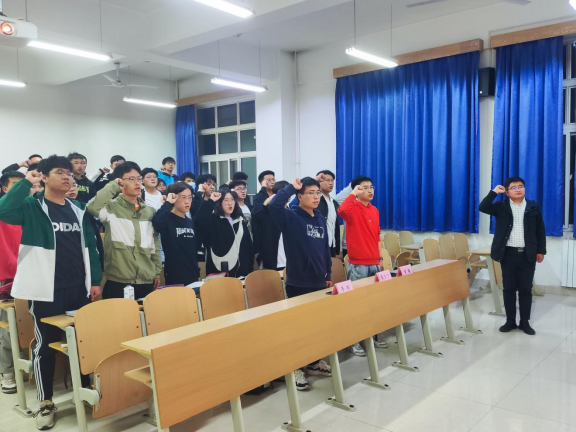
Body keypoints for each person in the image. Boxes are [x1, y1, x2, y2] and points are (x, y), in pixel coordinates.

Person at [0, 155, 102, 430]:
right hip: (46, 289)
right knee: (45, 346)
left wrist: (94, 280)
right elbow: (4, 211)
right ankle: (45, 403)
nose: (68, 176)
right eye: (60, 172)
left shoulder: (78, 208)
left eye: (69, 173)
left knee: (81, 342)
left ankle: (85, 390)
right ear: (44, 177)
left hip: (79, 288)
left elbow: (91, 247)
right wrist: (26, 182)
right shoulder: (32, 206)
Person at [269, 177, 332, 390]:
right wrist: (290, 188)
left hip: (318, 280)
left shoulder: (319, 218)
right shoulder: (291, 217)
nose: (316, 197)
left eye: (317, 193)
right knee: (298, 327)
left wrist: (328, 273)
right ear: (299, 196)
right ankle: (295, 367)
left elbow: (325, 248)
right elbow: (274, 206)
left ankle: (312, 361)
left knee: (315, 326)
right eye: (310, 193)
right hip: (299, 282)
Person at [479, 177, 546, 336]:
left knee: (525, 289)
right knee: (509, 288)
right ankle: (510, 321)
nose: (518, 189)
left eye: (520, 186)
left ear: (525, 189)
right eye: (513, 187)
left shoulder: (533, 206)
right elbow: (483, 207)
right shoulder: (501, 207)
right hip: (508, 253)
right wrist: (494, 192)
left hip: (528, 254)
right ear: (507, 192)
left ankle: (524, 322)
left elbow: (540, 230)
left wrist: (541, 250)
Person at [88, 162, 162, 300]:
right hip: (119, 280)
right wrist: (113, 186)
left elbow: (154, 245)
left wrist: (157, 272)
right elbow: (92, 207)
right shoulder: (111, 208)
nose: (137, 183)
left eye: (139, 178)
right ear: (120, 182)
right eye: (131, 179)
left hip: (146, 279)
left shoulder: (150, 211)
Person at [338, 175, 386, 356]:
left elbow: (377, 236)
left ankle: (371, 336)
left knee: (373, 303)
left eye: (371, 187)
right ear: (357, 190)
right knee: (356, 304)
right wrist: (353, 194)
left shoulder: (374, 210)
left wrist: (380, 259)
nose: (370, 190)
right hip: (358, 264)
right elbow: (342, 210)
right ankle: (353, 341)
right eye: (364, 187)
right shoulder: (352, 208)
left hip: (374, 263)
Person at [0, 171, 26, 394]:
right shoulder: (3, 211)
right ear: (5, 189)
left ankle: (26, 367)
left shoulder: (31, 210)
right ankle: (7, 372)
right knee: (8, 330)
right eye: (17, 185)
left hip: (30, 275)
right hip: (5, 279)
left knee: (28, 324)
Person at [194, 191, 253, 278]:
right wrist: (211, 201)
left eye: (232, 200)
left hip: (242, 274)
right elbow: (199, 220)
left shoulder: (240, 221)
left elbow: (249, 247)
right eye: (226, 200)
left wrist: (249, 269)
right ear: (219, 203)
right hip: (218, 273)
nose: (230, 203)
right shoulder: (213, 220)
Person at [152, 183, 199, 285]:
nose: (187, 201)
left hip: (193, 274)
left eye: (190, 197)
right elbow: (156, 222)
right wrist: (168, 203)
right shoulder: (166, 219)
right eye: (183, 197)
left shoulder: (190, 222)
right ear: (173, 197)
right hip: (174, 275)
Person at [251, 181, 289, 270]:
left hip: (289, 261)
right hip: (273, 259)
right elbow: (255, 214)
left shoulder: (290, 211)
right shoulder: (268, 211)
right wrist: (270, 199)